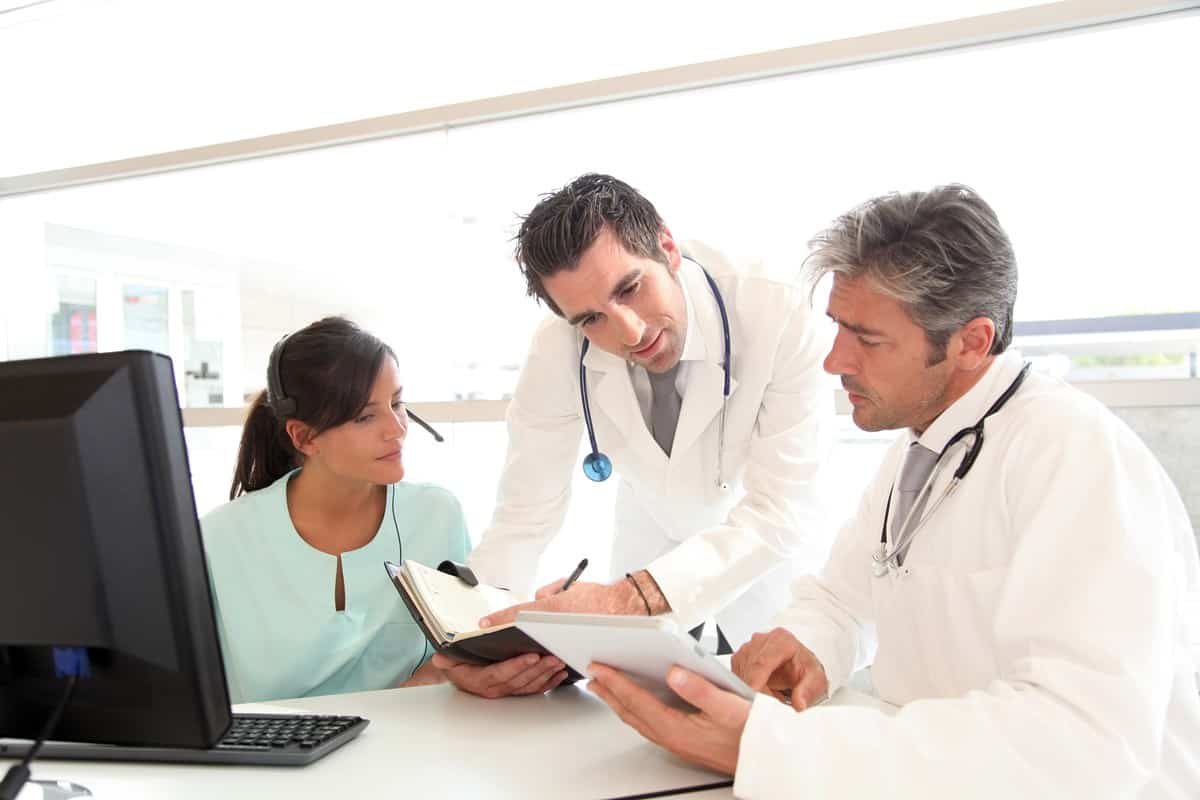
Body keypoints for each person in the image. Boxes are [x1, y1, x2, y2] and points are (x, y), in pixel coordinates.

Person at [588, 185, 1200, 797]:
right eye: (836, 328)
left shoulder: (1076, 456)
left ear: (971, 342)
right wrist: (807, 647)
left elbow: (1085, 740)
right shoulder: (925, 445)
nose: (834, 361)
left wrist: (774, 748)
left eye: (868, 338)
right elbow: (845, 599)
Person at [437, 174, 834, 697]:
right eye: (590, 319)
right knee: (632, 725)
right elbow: (524, 513)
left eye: (629, 288)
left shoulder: (776, 312)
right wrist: (476, 638)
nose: (628, 332)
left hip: (763, 568)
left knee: (768, 725)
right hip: (646, 540)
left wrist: (625, 600)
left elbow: (780, 510)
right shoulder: (558, 351)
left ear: (667, 247)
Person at [201, 316, 472, 703]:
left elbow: (461, 649)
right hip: (271, 754)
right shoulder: (219, 538)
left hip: (408, 746)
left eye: (397, 403)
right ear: (304, 436)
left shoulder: (437, 514)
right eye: (365, 416)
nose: (396, 428)